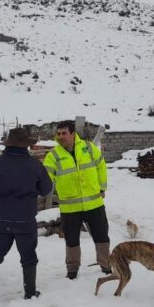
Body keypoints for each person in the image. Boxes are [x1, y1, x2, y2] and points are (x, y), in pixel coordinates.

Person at [0, 127, 52, 303]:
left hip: (1, 219)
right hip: (25, 220)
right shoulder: (35, 166)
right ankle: (30, 292)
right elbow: (46, 189)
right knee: (28, 256)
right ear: (26, 145)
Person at [43, 120, 110, 279]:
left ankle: (106, 265)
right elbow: (45, 176)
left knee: (101, 236)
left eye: (64, 133)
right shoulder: (54, 155)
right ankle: (72, 269)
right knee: (71, 239)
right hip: (70, 207)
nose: (60, 137)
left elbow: (101, 166)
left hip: (94, 203)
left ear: (73, 134)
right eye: (58, 134)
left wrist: (102, 187)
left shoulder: (88, 148)